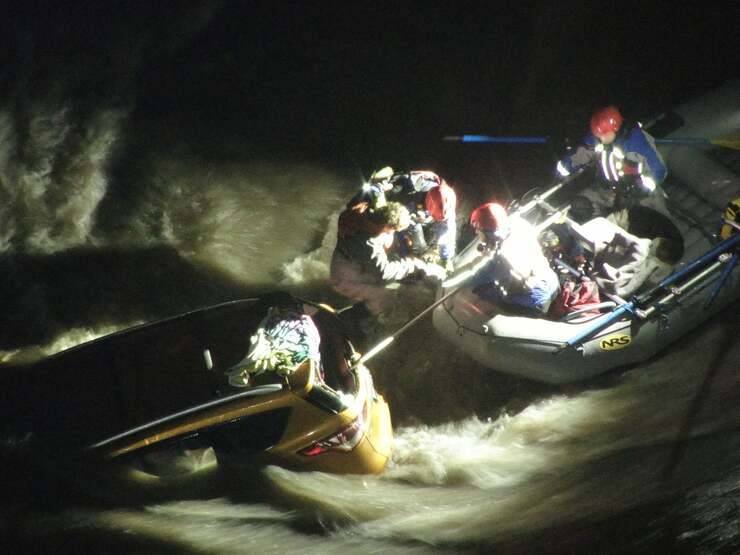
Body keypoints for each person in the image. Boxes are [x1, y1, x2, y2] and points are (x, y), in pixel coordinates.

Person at [330, 201, 447, 318]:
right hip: (343, 279)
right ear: (386, 226)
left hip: (350, 263)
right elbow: (384, 272)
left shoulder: (364, 217)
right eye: (394, 230)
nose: (394, 233)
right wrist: (411, 265)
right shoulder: (369, 244)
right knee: (385, 297)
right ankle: (360, 321)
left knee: (389, 277)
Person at [555, 105, 670, 223]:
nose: (602, 139)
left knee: (658, 222)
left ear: (616, 128)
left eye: (605, 135)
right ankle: (597, 230)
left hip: (641, 195)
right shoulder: (598, 138)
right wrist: (564, 168)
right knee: (580, 203)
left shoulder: (636, 142)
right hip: (609, 191)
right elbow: (582, 152)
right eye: (599, 136)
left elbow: (659, 170)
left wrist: (640, 191)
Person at [467, 202, 560, 315]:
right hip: (552, 282)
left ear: (489, 233)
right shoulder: (519, 224)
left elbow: (473, 280)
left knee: (481, 290)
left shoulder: (499, 259)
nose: (476, 232)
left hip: (536, 302)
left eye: (478, 229)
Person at [386, 170, 458, 268]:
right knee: (413, 237)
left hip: (424, 213)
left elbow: (448, 231)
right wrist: (407, 254)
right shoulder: (408, 194)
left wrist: (445, 258)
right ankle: (411, 254)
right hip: (409, 209)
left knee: (444, 232)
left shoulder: (446, 201)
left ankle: (443, 256)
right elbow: (398, 225)